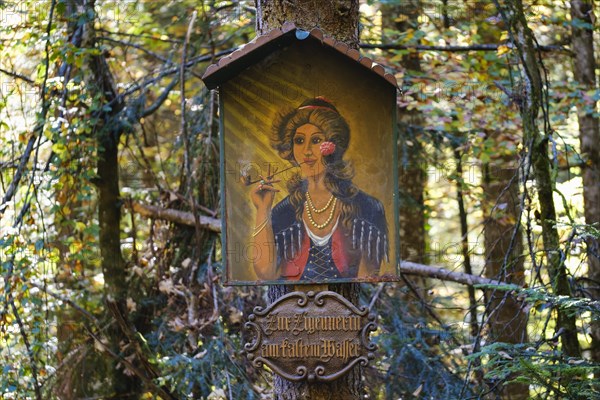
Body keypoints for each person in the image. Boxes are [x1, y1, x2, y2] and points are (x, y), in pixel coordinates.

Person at [250, 97, 388, 281]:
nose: (306, 151)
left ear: (334, 147)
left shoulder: (368, 207)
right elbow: (266, 273)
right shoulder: (283, 212)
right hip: (288, 306)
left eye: (316, 140)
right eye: (299, 140)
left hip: (343, 305)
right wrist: (263, 209)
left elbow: (368, 277)